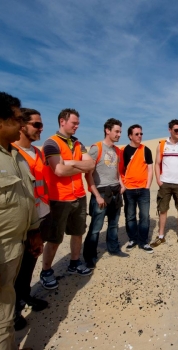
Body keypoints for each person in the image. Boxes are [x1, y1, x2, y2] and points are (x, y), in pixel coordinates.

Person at [0, 92, 40, 350]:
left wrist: (34, 231)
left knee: (6, 309)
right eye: (16, 119)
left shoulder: (14, 156)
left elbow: (27, 196)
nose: (21, 124)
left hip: (17, 246)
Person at [40, 109, 95, 290]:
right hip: (59, 198)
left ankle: (74, 263)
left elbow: (91, 164)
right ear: (62, 121)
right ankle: (46, 271)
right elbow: (59, 171)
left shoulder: (78, 144)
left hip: (78, 195)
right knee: (55, 238)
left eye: (78, 123)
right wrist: (79, 166)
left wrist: (70, 163)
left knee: (78, 232)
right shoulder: (51, 143)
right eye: (74, 123)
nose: (77, 126)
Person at [12, 108, 51, 331]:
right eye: (36, 124)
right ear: (21, 125)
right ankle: (12, 311)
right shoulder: (12, 153)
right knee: (14, 267)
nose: (41, 128)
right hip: (24, 221)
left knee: (30, 262)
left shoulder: (38, 152)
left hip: (42, 215)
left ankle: (24, 296)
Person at [83, 118, 128, 268]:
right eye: (116, 131)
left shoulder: (117, 150)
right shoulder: (96, 148)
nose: (119, 134)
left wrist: (122, 185)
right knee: (96, 228)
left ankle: (113, 248)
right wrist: (96, 195)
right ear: (107, 130)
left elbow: (117, 171)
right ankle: (89, 256)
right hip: (101, 193)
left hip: (116, 191)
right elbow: (88, 174)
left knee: (114, 224)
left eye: (120, 132)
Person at [150, 119, 178, 248]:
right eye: (176, 130)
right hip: (165, 183)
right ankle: (161, 236)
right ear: (170, 130)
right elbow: (157, 164)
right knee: (162, 210)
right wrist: (158, 180)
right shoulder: (162, 144)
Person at [120, 124, 154, 254]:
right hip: (128, 189)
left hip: (143, 189)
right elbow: (120, 170)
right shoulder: (123, 151)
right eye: (137, 134)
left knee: (145, 216)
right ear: (130, 136)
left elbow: (150, 169)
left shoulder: (146, 150)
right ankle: (132, 239)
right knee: (130, 216)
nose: (140, 136)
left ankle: (144, 241)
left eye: (141, 134)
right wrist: (124, 185)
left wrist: (147, 185)